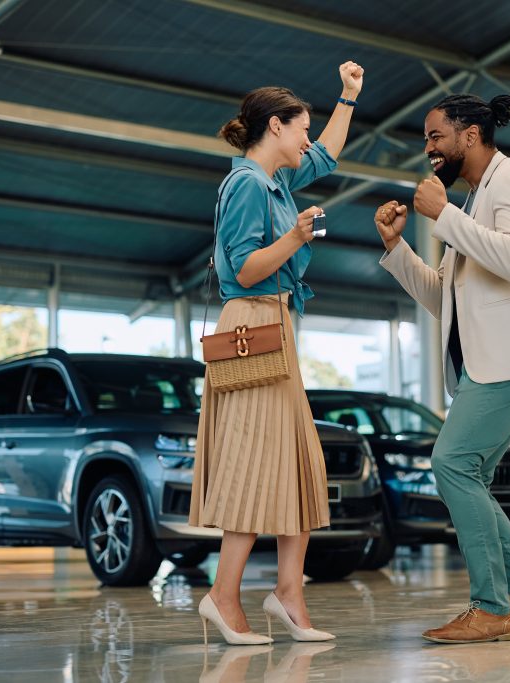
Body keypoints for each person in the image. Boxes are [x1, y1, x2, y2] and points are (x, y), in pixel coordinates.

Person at [373, 93, 510, 644]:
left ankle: (491, 607)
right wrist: (396, 250)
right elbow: (447, 299)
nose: (429, 148)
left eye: (437, 136)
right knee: (469, 479)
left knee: (452, 463)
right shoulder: (474, 197)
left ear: (470, 134)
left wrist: (442, 216)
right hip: (485, 361)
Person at [189, 61, 364, 645]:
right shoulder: (245, 185)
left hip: (277, 325)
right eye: (302, 128)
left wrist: (348, 96)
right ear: (275, 127)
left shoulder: (277, 182)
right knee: (251, 466)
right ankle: (222, 595)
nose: (308, 140)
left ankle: (289, 594)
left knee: (298, 464)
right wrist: (295, 236)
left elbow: (330, 154)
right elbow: (240, 267)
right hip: (253, 326)